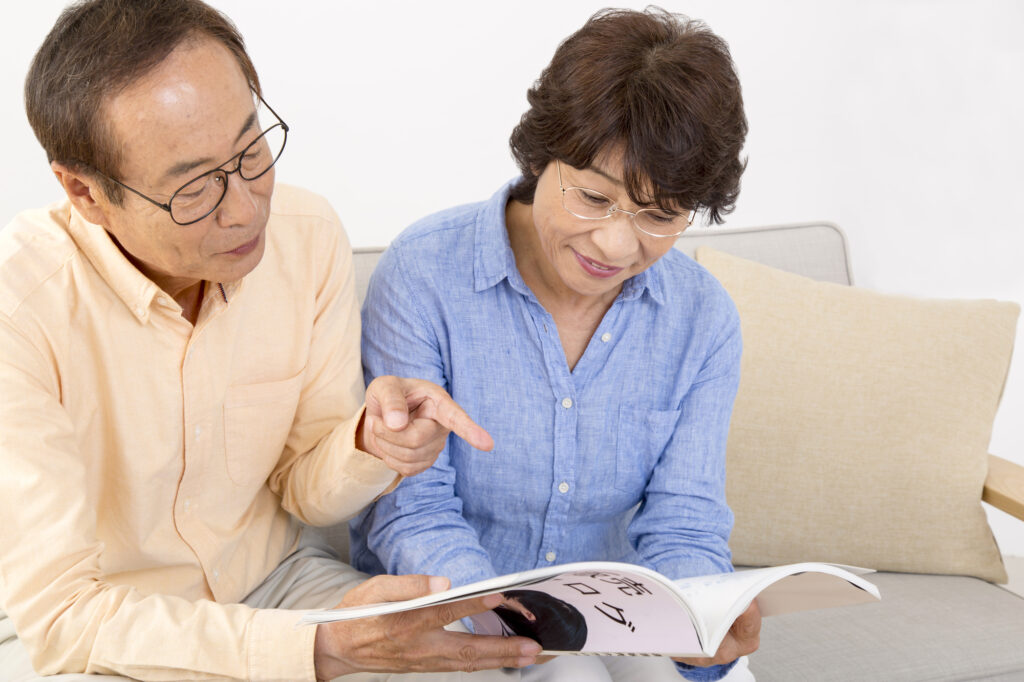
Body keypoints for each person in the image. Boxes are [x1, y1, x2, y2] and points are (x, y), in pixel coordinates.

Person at [0, 1, 543, 680]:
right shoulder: (19, 309)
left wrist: (370, 444)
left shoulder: (306, 235)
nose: (246, 207)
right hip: (117, 628)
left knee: (466, 666)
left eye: (252, 149)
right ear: (84, 192)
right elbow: (63, 620)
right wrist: (315, 649)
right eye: (195, 188)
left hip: (280, 587)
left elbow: (301, 490)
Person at [351, 7, 760, 681]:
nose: (616, 245)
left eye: (660, 217)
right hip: (457, 603)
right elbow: (413, 513)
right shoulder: (425, 273)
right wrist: (504, 616)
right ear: (542, 157)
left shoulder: (702, 317)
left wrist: (703, 624)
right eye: (594, 199)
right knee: (568, 674)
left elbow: (684, 525)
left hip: (621, 613)